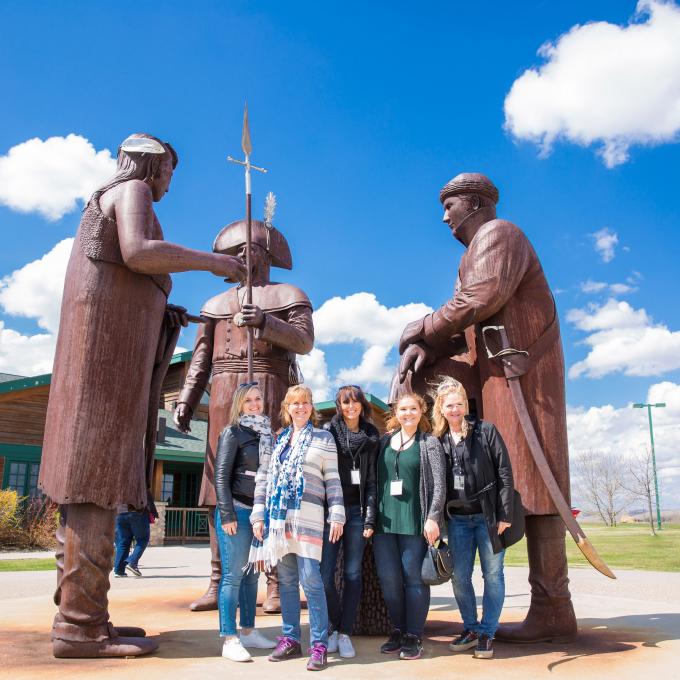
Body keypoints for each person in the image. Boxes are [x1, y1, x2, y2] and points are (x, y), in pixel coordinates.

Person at [38, 133, 246, 658]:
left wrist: (165, 316)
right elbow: (136, 252)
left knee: (95, 489)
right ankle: (79, 628)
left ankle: (89, 616)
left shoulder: (114, 198)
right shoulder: (131, 190)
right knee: (94, 482)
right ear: (152, 166)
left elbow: (127, 273)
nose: (168, 183)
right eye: (169, 172)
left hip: (103, 364)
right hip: (100, 373)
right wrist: (212, 263)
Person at [395, 172, 576, 642]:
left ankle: (554, 606)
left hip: (524, 379)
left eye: (449, 206)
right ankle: (549, 607)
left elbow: (481, 298)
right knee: (518, 481)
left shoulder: (500, 234)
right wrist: (426, 352)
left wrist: (422, 328)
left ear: (473, 203)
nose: (444, 216)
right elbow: (469, 320)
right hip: (498, 377)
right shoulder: (471, 255)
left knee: (536, 484)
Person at [175, 218, 314, 614]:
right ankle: (219, 580)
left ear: (265, 256)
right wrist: (187, 397)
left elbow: (304, 341)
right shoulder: (215, 306)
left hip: (270, 388)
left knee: (272, 485)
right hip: (223, 396)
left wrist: (267, 323)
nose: (239, 260)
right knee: (218, 486)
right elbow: (201, 356)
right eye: (232, 255)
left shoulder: (288, 294)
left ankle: (275, 581)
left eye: (246, 252)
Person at [249, 385, 345, 671]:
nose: (300, 407)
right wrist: (258, 516)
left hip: (309, 519)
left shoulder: (323, 438)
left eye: (305, 403)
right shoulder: (278, 440)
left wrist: (337, 515)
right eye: (294, 403)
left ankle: (319, 644)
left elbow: (333, 479)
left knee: (311, 581)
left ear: (311, 407)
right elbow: (263, 479)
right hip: (279, 523)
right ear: (287, 408)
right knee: (287, 581)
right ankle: (290, 639)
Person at [433, 378, 514, 659]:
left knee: (493, 575)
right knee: (459, 577)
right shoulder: (439, 441)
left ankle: (487, 632)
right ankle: (471, 627)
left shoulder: (485, 431)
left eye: (459, 404)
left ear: (465, 405)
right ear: (441, 409)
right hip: (458, 520)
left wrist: (504, 514)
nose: (454, 409)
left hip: (488, 517)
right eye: (449, 405)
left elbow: (504, 471)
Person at [369, 392, 446, 661]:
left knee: (414, 580)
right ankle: (399, 630)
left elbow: (439, 485)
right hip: (384, 523)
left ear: (421, 412)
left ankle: (414, 635)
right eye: (403, 409)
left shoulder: (430, 443)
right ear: (396, 413)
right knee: (389, 581)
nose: (408, 414)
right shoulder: (384, 442)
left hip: (415, 522)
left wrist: (433, 516)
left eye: (413, 409)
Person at [214, 382, 277, 661]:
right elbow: (220, 476)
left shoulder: (268, 434)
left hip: (258, 515)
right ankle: (229, 638)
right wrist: (227, 514)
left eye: (258, 399)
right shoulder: (233, 432)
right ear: (240, 404)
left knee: (252, 576)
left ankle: (249, 631)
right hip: (237, 512)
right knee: (233, 575)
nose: (254, 404)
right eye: (248, 400)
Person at [320, 385, 380, 658]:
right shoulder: (328, 432)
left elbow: (371, 482)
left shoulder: (371, 436)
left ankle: (344, 633)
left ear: (362, 405)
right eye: (346, 402)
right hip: (331, 511)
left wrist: (369, 518)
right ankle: (332, 627)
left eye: (355, 401)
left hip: (357, 513)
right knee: (325, 575)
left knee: (353, 573)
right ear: (339, 406)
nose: (351, 406)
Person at [113, 490, 156, 578]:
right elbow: (147, 497)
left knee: (123, 542)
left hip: (120, 513)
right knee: (143, 539)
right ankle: (132, 562)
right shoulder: (139, 479)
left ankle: (119, 570)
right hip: (138, 512)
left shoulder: (120, 482)